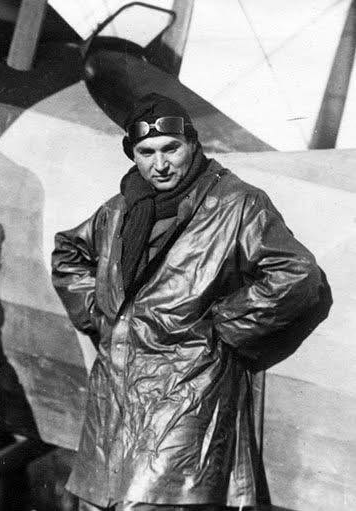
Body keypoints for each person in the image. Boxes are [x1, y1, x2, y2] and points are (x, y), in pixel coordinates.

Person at [51, 93, 331, 511]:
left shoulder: (236, 203)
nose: (159, 164)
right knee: (97, 504)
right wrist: (103, 315)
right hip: (114, 399)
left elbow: (297, 274)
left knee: (157, 504)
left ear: (193, 145)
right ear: (132, 154)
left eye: (171, 149)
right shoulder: (121, 208)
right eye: (146, 153)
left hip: (188, 393)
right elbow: (68, 253)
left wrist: (222, 327)